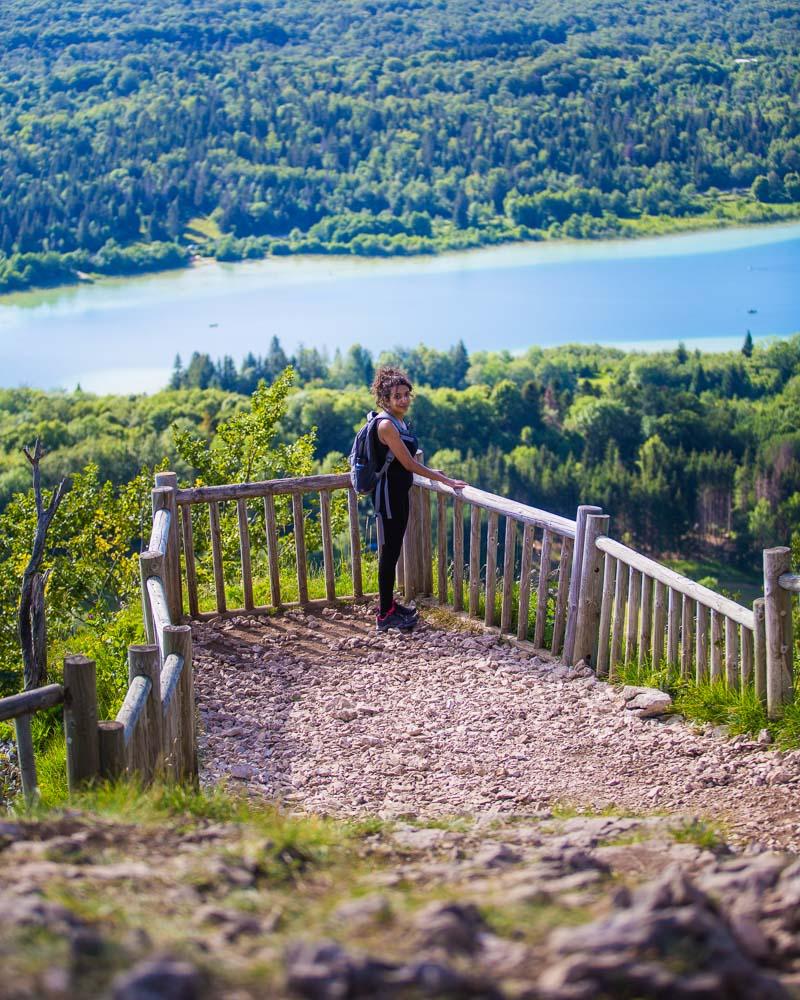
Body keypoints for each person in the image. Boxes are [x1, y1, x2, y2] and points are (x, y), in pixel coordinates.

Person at [370, 366, 467, 632]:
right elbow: (409, 464)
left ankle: (389, 605)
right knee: (389, 554)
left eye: (406, 394)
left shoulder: (398, 421)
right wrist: (442, 478)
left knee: (392, 551)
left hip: (397, 494)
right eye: (397, 396)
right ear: (384, 399)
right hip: (389, 497)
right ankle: (384, 614)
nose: (403, 399)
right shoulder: (387, 425)